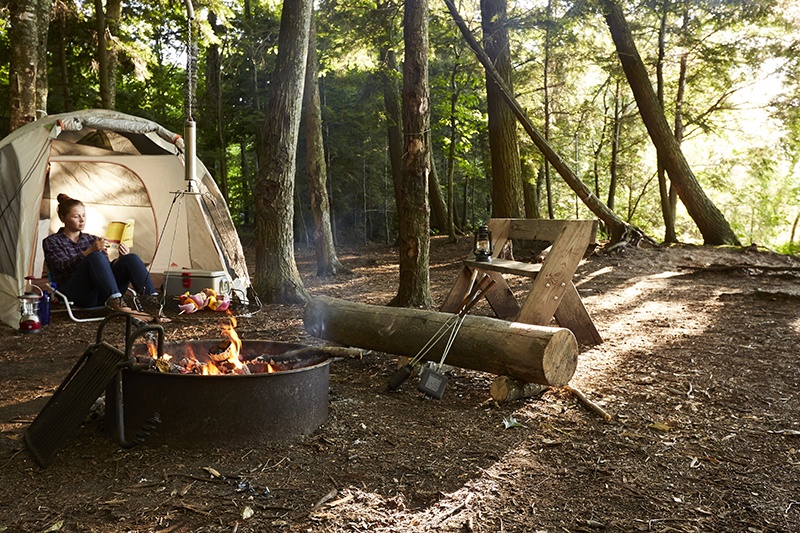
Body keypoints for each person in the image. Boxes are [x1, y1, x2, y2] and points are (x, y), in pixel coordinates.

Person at [42, 194, 158, 320]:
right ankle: (119, 306)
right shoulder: (52, 241)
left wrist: (121, 258)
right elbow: (61, 267)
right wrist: (90, 251)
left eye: (84, 215)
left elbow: (103, 270)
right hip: (76, 293)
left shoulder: (92, 239)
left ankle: (154, 306)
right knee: (95, 256)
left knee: (130, 258)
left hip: (102, 293)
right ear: (62, 218)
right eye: (76, 216)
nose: (82, 220)